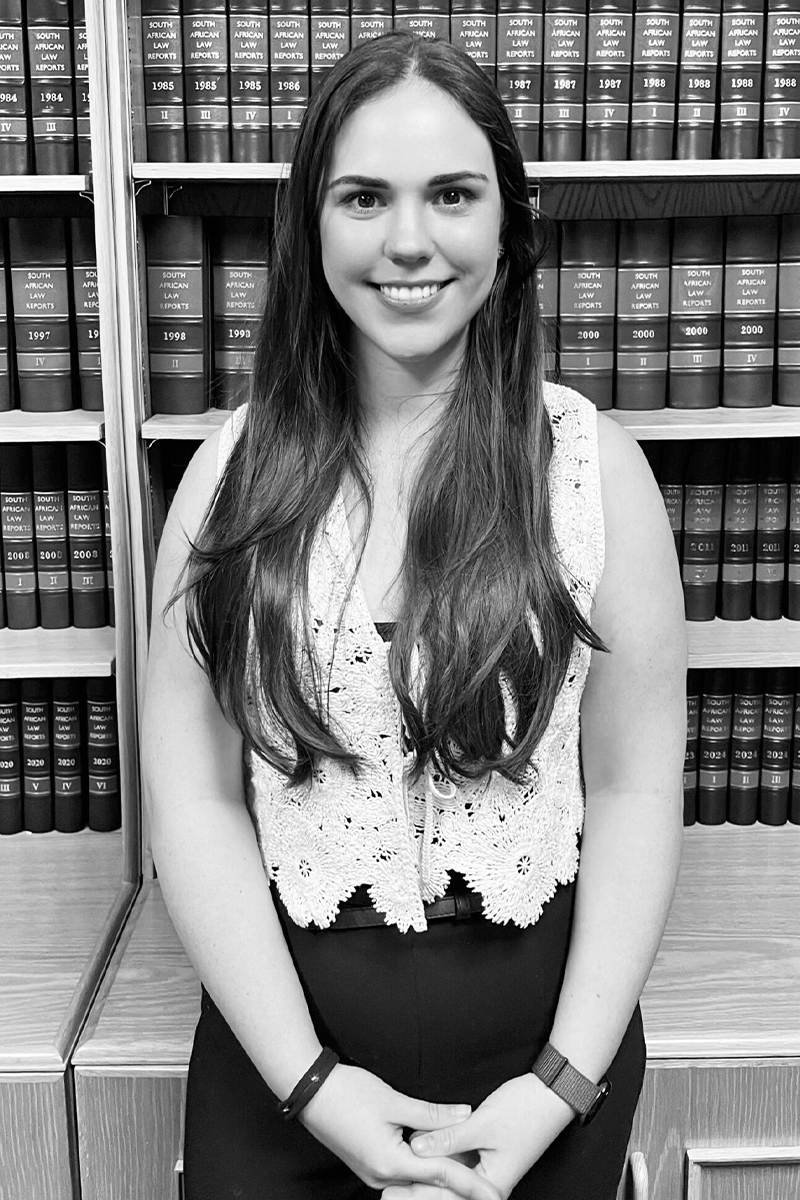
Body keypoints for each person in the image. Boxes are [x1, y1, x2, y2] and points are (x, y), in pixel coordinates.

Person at [142, 31, 687, 1200]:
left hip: (543, 1075)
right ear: (309, 226)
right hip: (280, 1070)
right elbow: (192, 800)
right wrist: (308, 1085)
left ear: (507, 222)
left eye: (450, 194)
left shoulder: (596, 472)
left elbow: (634, 793)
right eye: (362, 197)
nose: (406, 241)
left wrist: (561, 1085)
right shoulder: (224, 479)